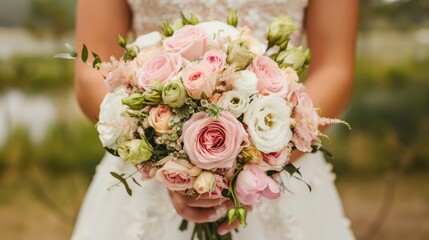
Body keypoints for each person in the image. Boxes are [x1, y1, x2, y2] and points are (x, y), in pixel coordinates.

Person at [72, 0, 359, 239]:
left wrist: (259, 163)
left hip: (281, 163)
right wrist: (158, 154)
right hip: (148, 177)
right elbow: (90, 72)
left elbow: (335, 69)